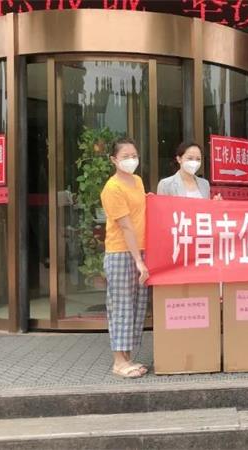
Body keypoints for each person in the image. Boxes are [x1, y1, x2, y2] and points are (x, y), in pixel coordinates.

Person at [100, 137, 150, 379]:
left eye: (134, 155)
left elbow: (142, 209)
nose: (131, 160)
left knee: (137, 306)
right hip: (121, 252)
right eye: (125, 156)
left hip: (141, 249)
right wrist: (138, 261)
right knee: (121, 306)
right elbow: (126, 226)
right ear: (113, 160)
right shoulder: (112, 188)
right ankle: (118, 362)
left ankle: (127, 357)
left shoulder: (137, 181)